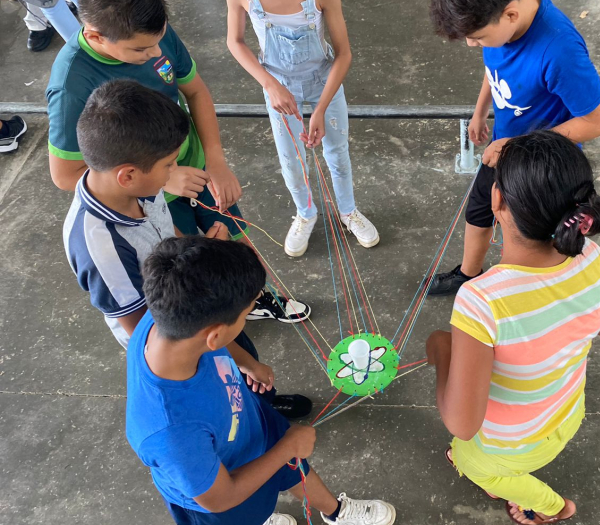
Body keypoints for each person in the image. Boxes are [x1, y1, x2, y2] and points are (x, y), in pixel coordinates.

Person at [46, 0, 310, 323]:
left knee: (235, 244)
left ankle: (255, 296)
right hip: (154, 196)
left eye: (159, 41)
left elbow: (196, 92)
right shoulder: (71, 84)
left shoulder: (150, 29)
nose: (157, 54)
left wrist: (215, 161)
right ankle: (222, 319)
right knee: (194, 276)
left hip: (198, 171)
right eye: (142, 49)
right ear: (97, 36)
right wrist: (165, 178)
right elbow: (64, 175)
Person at [63, 79, 311, 419]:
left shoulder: (139, 186)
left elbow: (169, 238)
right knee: (226, 389)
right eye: (169, 165)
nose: (173, 173)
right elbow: (147, 331)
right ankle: (251, 414)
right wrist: (245, 362)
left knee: (239, 353)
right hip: (181, 344)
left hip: (200, 316)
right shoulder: (100, 247)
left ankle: (260, 403)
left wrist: (199, 250)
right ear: (128, 175)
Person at [427, 131, 600, 524]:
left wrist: (441, 352)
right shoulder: (593, 256)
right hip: (567, 411)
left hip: (513, 445)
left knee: (468, 458)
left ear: (496, 201)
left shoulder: (482, 300)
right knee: (477, 455)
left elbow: (462, 424)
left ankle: (552, 508)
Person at [129, 235, 396, 525]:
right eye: (246, 313)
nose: (247, 316)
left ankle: (336, 512)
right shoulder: (173, 432)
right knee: (255, 503)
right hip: (226, 491)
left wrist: (248, 363)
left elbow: (213, 340)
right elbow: (221, 498)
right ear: (215, 334)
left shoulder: (167, 318)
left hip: (250, 426)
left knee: (293, 466)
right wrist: (286, 448)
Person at [427, 0, 600, 296]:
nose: (470, 44)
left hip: (544, 165)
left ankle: (536, 292)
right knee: (479, 210)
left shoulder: (559, 51)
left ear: (510, 15)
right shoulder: (499, 23)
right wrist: (479, 111)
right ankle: (468, 274)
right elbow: (495, 67)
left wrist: (518, 145)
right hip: (503, 146)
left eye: (477, 37)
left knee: (536, 235)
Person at [226, 0, 379, 257]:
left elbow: (344, 54)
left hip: (323, 81)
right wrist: (270, 85)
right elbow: (235, 41)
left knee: (338, 152)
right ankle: (305, 213)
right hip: (277, 83)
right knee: (291, 159)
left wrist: (320, 110)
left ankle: (348, 211)